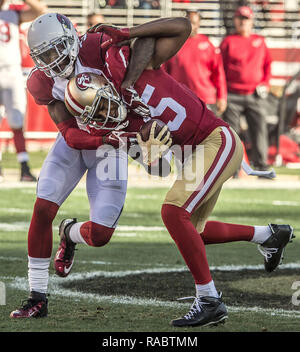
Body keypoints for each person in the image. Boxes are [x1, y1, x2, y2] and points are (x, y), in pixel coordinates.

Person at [58, 19, 294, 327]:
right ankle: (269, 235)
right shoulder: (122, 128)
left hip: (217, 139)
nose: (105, 114)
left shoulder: (131, 71)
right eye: (97, 115)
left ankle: (209, 300)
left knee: (173, 212)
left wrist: (127, 34)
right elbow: (161, 168)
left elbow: (182, 26)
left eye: (102, 106)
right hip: (196, 153)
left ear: (107, 88)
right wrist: (151, 152)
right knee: (190, 230)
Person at [9, 12, 156, 319]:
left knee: (101, 234)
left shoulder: (98, 46)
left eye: (56, 49)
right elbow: (71, 135)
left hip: (110, 147)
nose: (53, 59)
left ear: (72, 39)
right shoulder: (41, 81)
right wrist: (114, 139)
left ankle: (70, 232)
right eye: (44, 54)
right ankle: (37, 296)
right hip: (84, 142)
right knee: (43, 207)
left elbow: (148, 43)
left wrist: (130, 89)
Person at [220, 5, 272, 171]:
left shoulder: (259, 41)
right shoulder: (228, 41)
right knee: (233, 134)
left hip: (254, 94)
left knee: (259, 130)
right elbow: (219, 68)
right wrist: (222, 93)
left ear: (251, 21)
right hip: (233, 94)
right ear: (235, 20)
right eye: (240, 18)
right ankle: (233, 168)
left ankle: (261, 165)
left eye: (246, 19)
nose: (243, 22)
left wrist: (266, 83)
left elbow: (267, 65)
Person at [0, 0, 47, 181]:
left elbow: (41, 10)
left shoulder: (13, 13)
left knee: (17, 120)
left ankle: (24, 167)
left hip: (12, 72)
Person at [163, 10, 227, 116]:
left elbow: (218, 73)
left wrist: (222, 97)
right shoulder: (175, 44)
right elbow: (165, 73)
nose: (190, 26)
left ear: (199, 24)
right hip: (180, 99)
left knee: (208, 132)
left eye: (193, 22)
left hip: (205, 99)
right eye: (188, 22)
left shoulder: (207, 44)